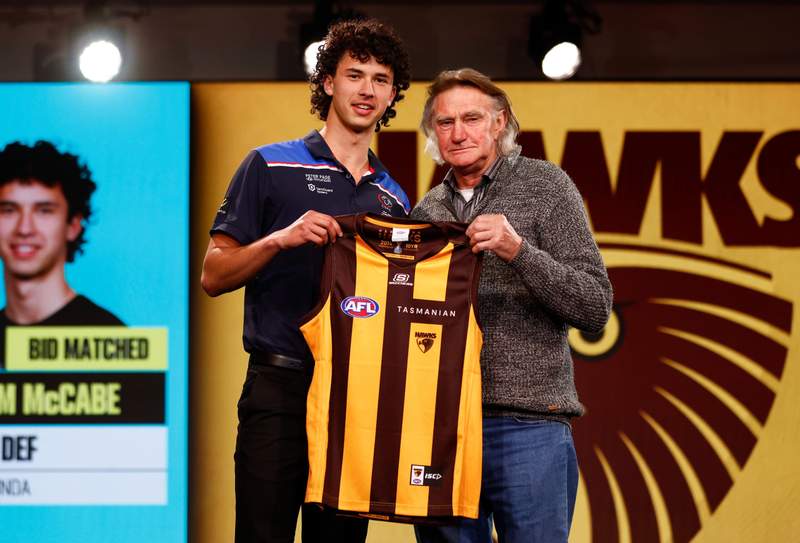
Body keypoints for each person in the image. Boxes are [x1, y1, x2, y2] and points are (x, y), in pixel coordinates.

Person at [200, 19, 411, 543]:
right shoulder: (269, 163)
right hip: (280, 386)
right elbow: (213, 275)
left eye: (380, 79)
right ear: (327, 84)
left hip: (355, 396)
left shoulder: (395, 199)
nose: (367, 90)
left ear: (392, 95)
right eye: (354, 75)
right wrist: (279, 239)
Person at [410, 68, 613, 543]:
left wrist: (519, 250)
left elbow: (595, 305)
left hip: (530, 426)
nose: (458, 133)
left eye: (472, 118)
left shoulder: (547, 186)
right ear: (432, 133)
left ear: (499, 123)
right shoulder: (426, 212)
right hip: (442, 432)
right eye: (444, 122)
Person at [0, 140, 123, 369]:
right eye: (8, 210)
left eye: (44, 211)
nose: (24, 228)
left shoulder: (109, 339)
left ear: (73, 225)